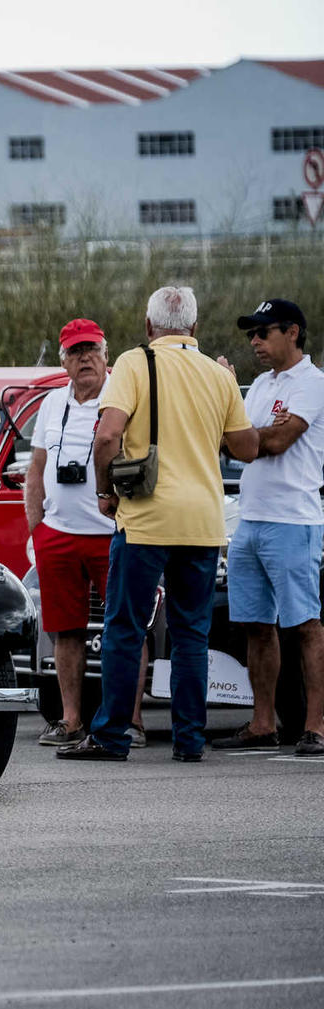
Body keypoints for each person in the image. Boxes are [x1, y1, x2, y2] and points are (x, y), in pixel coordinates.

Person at [59, 286, 258, 763]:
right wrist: (229, 384)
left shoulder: (132, 363)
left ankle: (111, 736)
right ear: (194, 327)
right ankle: (189, 740)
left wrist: (106, 492)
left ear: (149, 327)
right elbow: (246, 448)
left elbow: (107, 434)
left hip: (146, 520)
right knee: (192, 633)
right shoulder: (218, 374)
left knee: (125, 627)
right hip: (204, 521)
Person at [24, 319, 149, 749]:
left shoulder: (124, 394)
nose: (85, 359)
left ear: (106, 354)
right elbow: (37, 469)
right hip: (58, 533)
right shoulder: (52, 403)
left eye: (92, 350)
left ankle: (129, 720)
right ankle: (71, 718)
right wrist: (36, 527)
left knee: (125, 626)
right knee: (65, 630)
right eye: (76, 352)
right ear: (64, 361)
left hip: (109, 530)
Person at [211, 299, 324, 757]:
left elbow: (274, 441)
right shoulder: (260, 384)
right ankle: (263, 723)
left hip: (292, 520)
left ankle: (315, 725)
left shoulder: (312, 383)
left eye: (263, 332)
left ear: (292, 332)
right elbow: (232, 436)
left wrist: (249, 436)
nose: (255, 341)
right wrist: (250, 433)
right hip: (251, 518)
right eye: (251, 334)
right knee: (256, 626)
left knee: (306, 625)